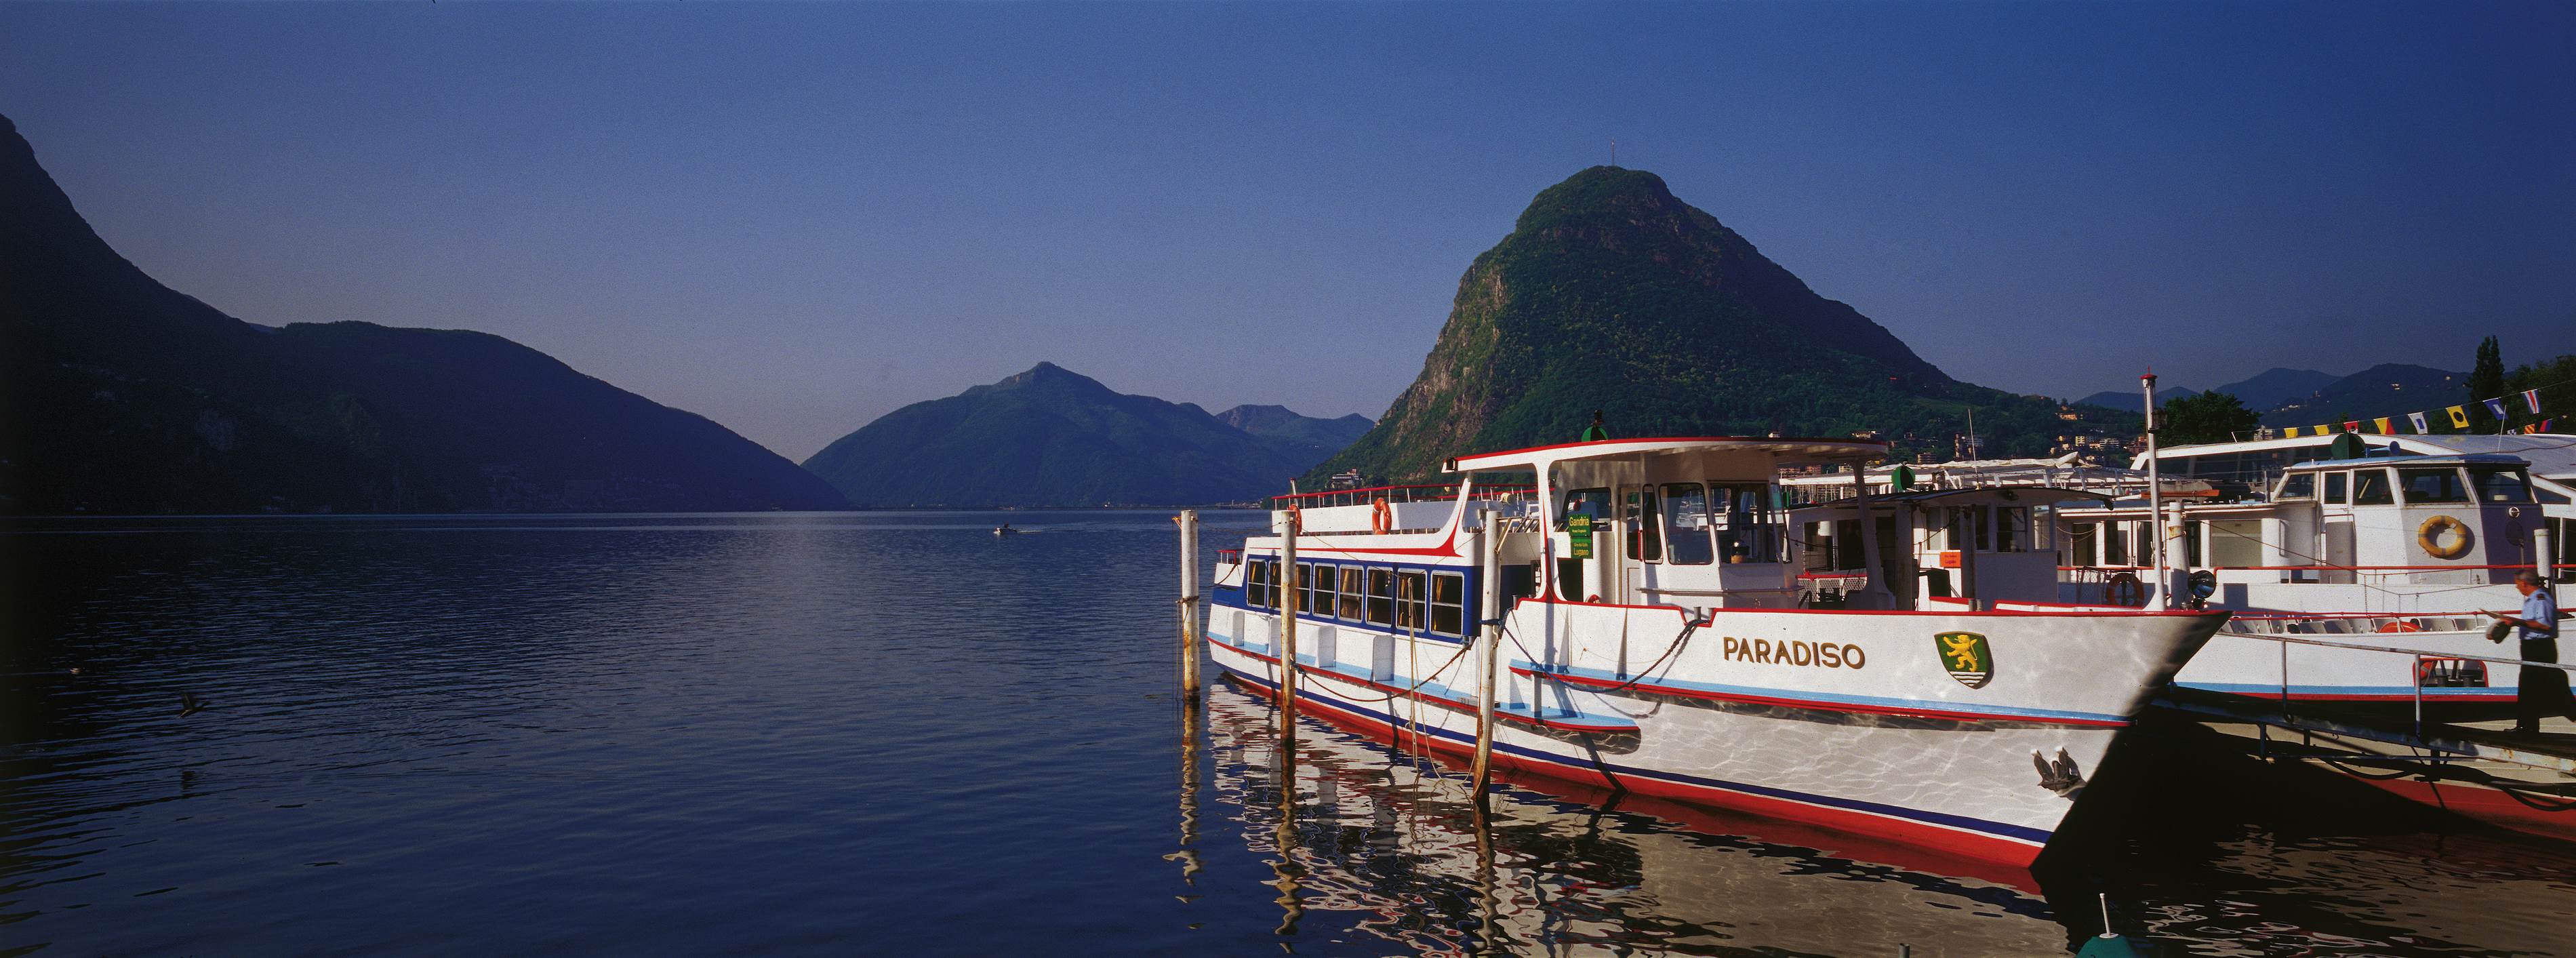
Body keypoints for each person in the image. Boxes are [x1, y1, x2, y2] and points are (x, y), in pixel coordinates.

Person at [2485, 570, 2568, 734]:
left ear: (2524, 583)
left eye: (2517, 584)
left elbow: (2545, 625)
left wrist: (2517, 621)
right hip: (2533, 646)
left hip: (2540, 647)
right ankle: (2527, 726)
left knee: (2530, 687)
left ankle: (2527, 728)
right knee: (2530, 688)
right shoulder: (2533, 600)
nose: (2517, 587)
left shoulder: (2540, 599)